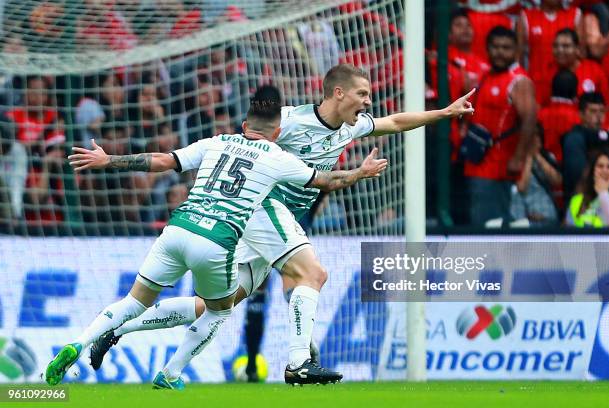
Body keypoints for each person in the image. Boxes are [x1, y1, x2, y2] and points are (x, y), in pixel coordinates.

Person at [86, 64, 475, 385]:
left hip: (276, 222)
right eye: (362, 94)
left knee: (218, 304)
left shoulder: (351, 127)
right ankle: (298, 362)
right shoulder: (288, 121)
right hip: (262, 209)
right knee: (313, 274)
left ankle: (119, 330)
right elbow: (246, 140)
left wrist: (443, 113)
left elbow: (393, 121)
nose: (368, 102)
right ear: (338, 93)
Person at [46, 95, 388, 389]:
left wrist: (109, 161)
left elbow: (163, 161)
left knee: (136, 302)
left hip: (177, 228)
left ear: (243, 124)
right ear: (278, 132)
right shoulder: (277, 157)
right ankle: (172, 372)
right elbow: (326, 180)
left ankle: (83, 340)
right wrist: (360, 172)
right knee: (219, 310)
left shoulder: (217, 141)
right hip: (220, 238)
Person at [464, 26, 537, 226]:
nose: (500, 52)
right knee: (478, 225)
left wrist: (518, 158)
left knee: (490, 230)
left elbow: (530, 119)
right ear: (487, 48)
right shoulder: (486, 75)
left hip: (498, 170)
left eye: (506, 48)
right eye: (495, 47)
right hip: (477, 163)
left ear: (515, 51)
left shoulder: (518, 80)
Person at [562, 91, 609, 205]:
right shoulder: (574, 139)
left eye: (602, 111)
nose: (598, 116)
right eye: (593, 111)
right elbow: (578, 175)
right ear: (581, 114)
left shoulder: (608, 137)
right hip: (581, 202)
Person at [565, 150, 609, 227]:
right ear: (592, 171)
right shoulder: (576, 201)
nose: (604, 170)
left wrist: (603, 193)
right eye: (600, 166)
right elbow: (568, 235)